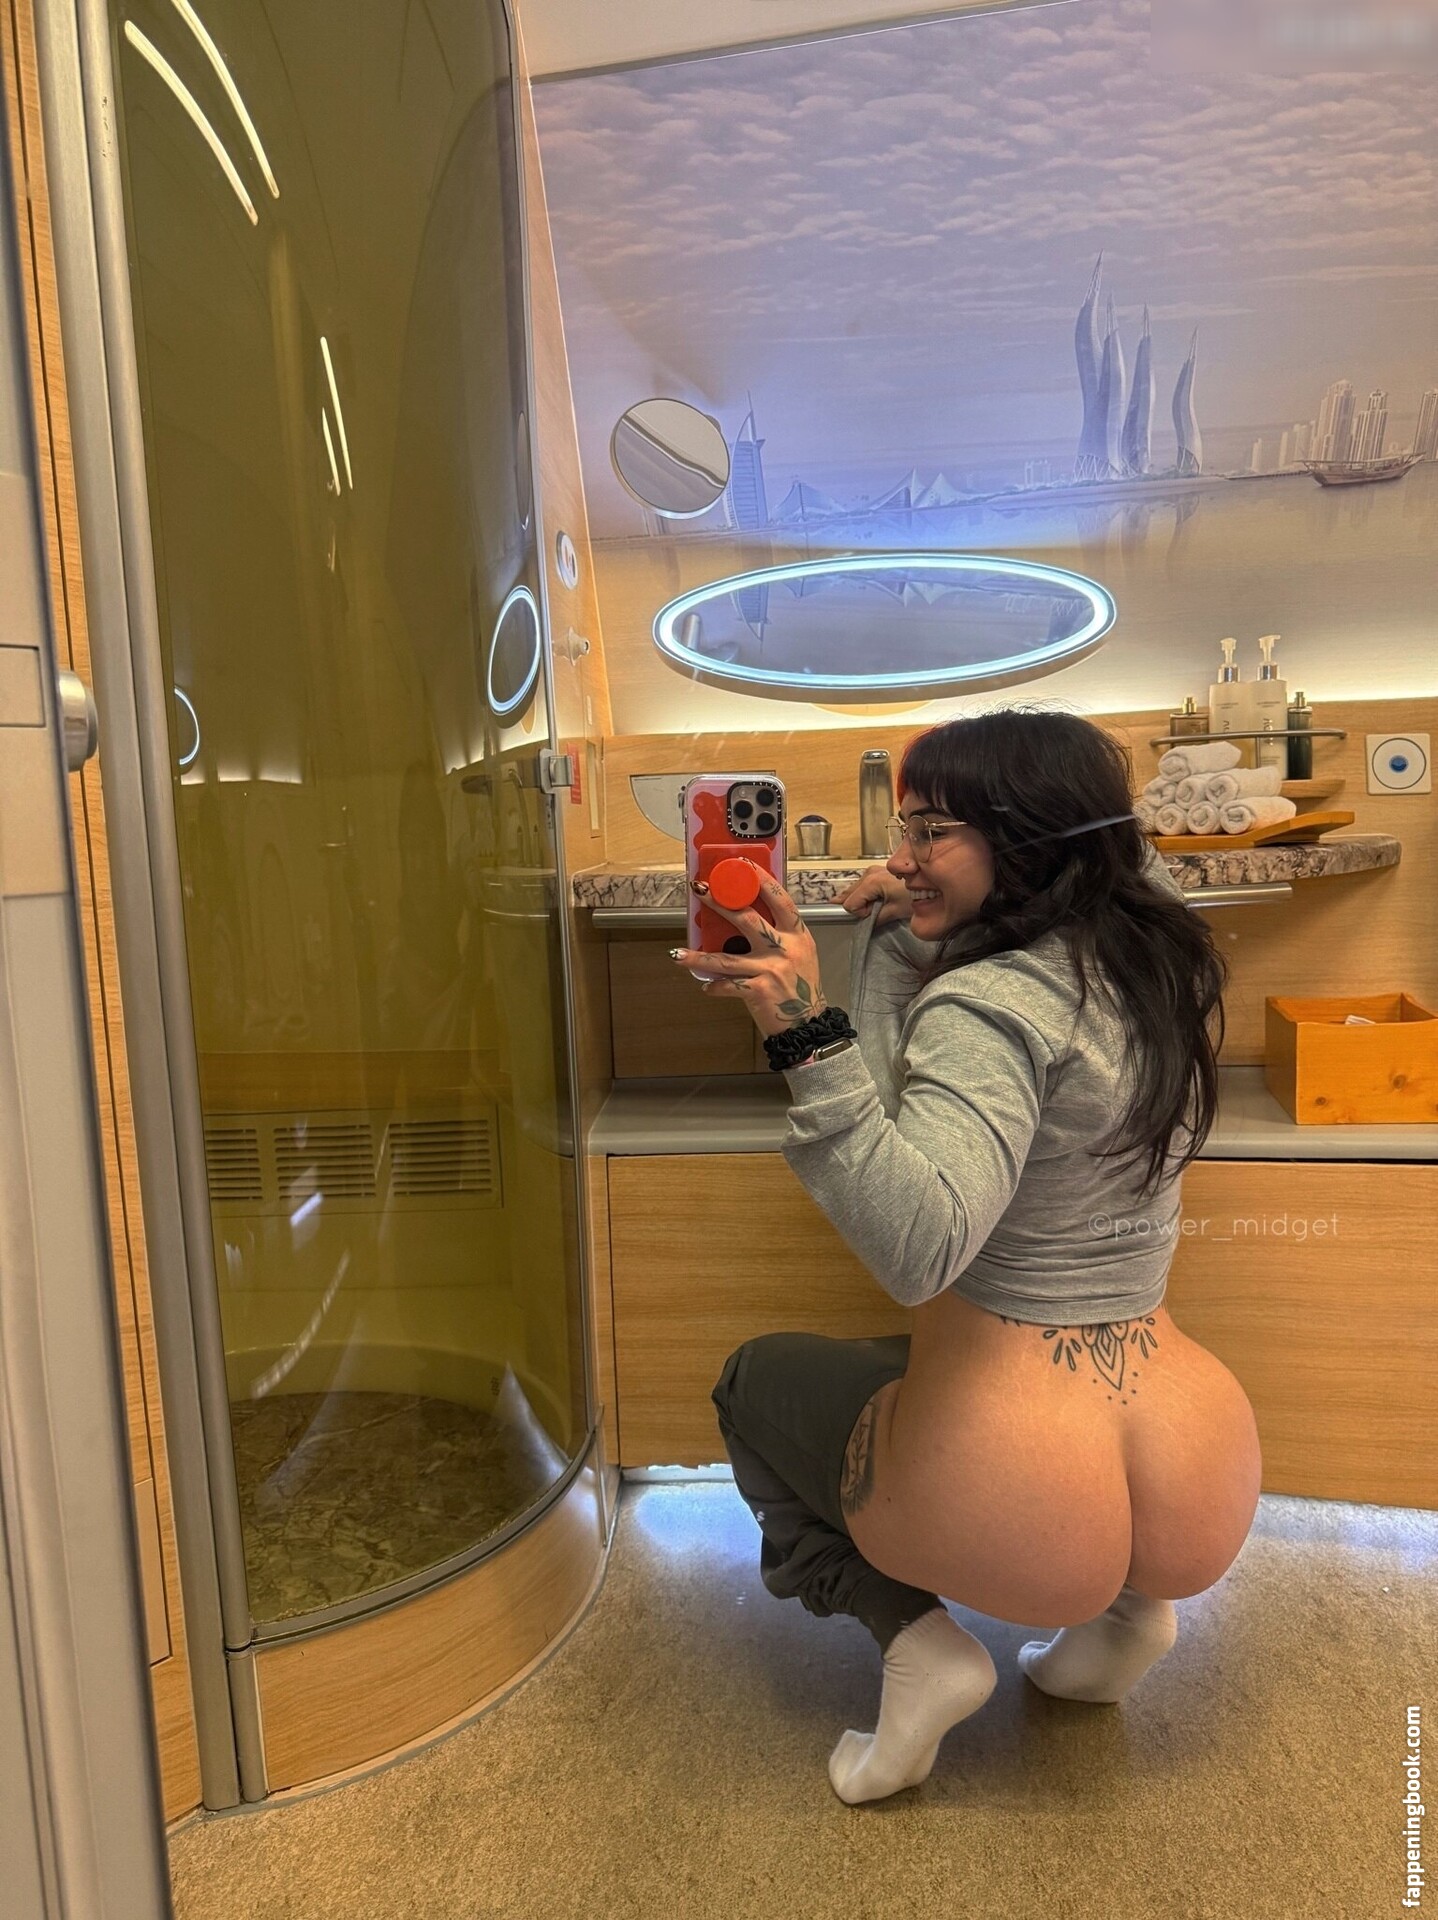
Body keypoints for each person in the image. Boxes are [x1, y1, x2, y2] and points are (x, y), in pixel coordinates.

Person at [670, 710, 1262, 1807]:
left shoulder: (987, 1004)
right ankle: (1127, 1622)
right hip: (1202, 1467)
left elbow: (921, 1249)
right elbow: (1122, 866)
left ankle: (916, 1646)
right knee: (892, 1367)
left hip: (1020, 1483)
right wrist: (916, 920)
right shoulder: (1161, 962)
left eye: (929, 832)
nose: (897, 861)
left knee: (753, 1382)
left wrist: (801, 1029)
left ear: (1028, 839)